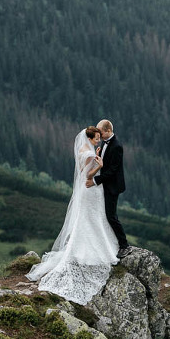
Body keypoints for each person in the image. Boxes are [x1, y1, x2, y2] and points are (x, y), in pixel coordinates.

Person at [26, 126, 119, 305]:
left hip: (88, 192)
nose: (98, 140)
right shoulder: (89, 153)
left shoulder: (85, 150)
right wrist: (99, 166)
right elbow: (87, 175)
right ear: (90, 138)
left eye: (100, 137)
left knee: (88, 219)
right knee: (92, 219)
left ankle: (85, 247)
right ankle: (92, 249)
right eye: (97, 138)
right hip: (91, 189)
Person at [86, 119, 130, 258]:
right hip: (106, 185)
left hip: (113, 186)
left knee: (111, 216)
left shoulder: (117, 146)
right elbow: (105, 163)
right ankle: (111, 243)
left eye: (101, 132)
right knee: (105, 215)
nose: (99, 134)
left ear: (108, 131)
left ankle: (124, 245)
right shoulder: (106, 144)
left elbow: (112, 170)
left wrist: (95, 180)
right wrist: (98, 155)